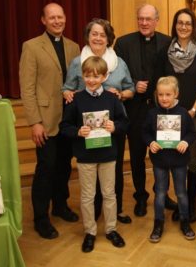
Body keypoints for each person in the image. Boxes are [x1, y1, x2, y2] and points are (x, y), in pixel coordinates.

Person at [62, 18, 134, 224]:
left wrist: (120, 94)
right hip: (86, 129)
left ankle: (115, 211)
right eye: (94, 34)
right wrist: (70, 94)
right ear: (88, 36)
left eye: (103, 34)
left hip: (111, 130)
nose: (98, 38)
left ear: (109, 38)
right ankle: (93, 216)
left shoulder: (119, 63)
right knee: (89, 182)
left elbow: (130, 88)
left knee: (114, 170)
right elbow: (67, 88)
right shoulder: (77, 62)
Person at [19, 2, 80, 239]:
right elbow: (27, 88)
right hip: (45, 120)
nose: (57, 21)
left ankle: (61, 206)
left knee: (64, 166)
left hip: (68, 119)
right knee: (46, 168)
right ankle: (41, 218)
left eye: (60, 17)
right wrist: (34, 121)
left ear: (65, 18)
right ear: (43, 20)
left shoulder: (74, 47)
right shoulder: (32, 47)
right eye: (51, 17)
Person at [59, 56, 128, 252]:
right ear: (83, 76)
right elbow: (65, 126)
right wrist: (77, 132)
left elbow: (125, 123)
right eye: (88, 76)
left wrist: (115, 126)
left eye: (96, 76)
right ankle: (90, 232)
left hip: (107, 155)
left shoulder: (112, 99)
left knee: (109, 194)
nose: (91, 80)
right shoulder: (76, 99)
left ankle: (111, 229)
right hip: (85, 156)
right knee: (88, 196)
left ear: (105, 77)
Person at [114, 4, 176, 217]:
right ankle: (140, 196)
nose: (144, 23)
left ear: (157, 20)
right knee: (138, 156)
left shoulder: (168, 42)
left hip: (163, 109)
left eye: (149, 19)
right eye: (141, 18)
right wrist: (133, 83)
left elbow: (173, 72)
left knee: (164, 154)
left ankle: (163, 194)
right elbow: (116, 73)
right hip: (135, 109)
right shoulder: (122, 43)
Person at [156, 8, 196, 222]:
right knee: (173, 157)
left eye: (188, 23)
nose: (184, 26)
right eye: (180, 22)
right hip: (169, 117)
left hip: (194, 115)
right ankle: (181, 204)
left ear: (194, 26)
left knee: (192, 160)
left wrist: (193, 110)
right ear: (174, 25)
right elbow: (159, 83)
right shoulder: (163, 52)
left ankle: (190, 207)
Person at [142, 76, 196, 243]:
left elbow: (191, 133)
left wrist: (185, 142)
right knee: (160, 193)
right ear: (156, 95)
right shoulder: (152, 114)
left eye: (168, 94)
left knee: (181, 193)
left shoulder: (183, 113)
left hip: (179, 161)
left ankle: (185, 222)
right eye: (160, 95)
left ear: (176, 94)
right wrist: (150, 142)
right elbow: (145, 132)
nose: (164, 98)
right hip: (159, 161)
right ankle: (158, 224)